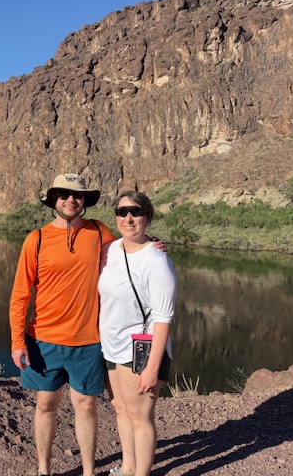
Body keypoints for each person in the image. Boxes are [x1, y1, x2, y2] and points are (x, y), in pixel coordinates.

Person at [9, 172, 116, 476]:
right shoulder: (37, 239)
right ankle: (44, 470)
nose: (72, 199)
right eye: (65, 194)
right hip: (43, 340)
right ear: (54, 199)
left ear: (84, 201)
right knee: (45, 405)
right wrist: (18, 341)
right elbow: (20, 294)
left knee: (86, 406)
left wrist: (150, 245)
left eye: (78, 195)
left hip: (88, 340)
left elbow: (126, 257)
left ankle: (88, 472)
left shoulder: (98, 232)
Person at [98, 191, 177, 476]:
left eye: (136, 211)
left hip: (140, 350)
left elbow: (164, 318)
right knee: (120, 408)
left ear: (148, 216)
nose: (128, 218)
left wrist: (152, 368)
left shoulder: (156, 261)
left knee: (140, 416)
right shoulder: (110, 250)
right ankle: (128, 467)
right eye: (122, 212)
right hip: (112, 346)